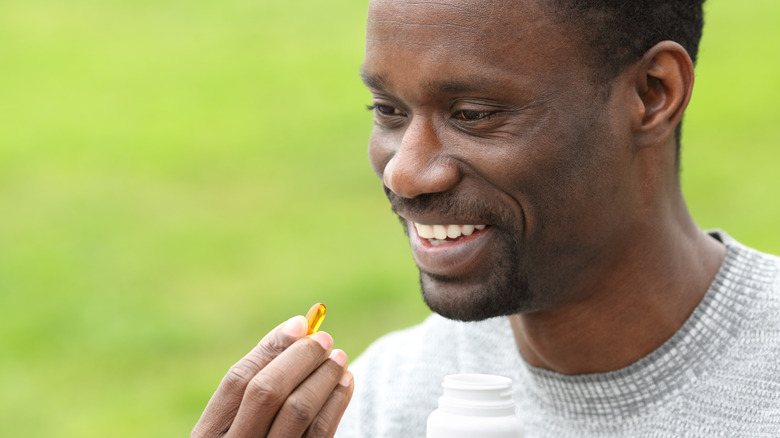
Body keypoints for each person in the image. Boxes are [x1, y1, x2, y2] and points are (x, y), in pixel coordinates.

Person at [193, 0, 780, 436]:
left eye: (473, 113)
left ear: (653, 93)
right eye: (388, 111)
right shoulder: (378, 401)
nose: (405, 173)